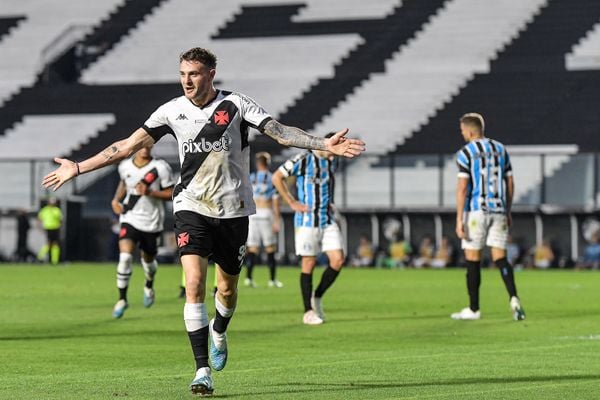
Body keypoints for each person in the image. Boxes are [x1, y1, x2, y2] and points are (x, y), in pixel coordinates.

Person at [42, 47, 365, 395]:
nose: (187, 81)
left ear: (211, 74)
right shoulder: (171, 111)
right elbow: (125, 146)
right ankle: (201, 370)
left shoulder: (237, 105)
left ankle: (220, 330)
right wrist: (78, 167)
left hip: (234, 211)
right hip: (191, 207)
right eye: (182, 74)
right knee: (193, 283)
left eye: (194, 74)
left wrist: (322, 144)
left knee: (226, 290)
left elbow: (281, 132)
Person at [452, 113, 525, 321]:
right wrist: (508, 209)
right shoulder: (500, 149)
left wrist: (459, 218)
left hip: (476, 211)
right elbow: (510, 183)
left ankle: (473, 309)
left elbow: (463, 187)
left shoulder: (466, 152)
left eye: (463, 131)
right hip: (499, 209)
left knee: (473, 259)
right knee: (500, 258)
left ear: (471, 131)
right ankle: (513, 298)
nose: (462, 134)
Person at [272, 134, 346, 326]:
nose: (333, 157)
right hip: (307, 220)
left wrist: (331, 202)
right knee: (309, 263)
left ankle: (317, 296)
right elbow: (277, 177)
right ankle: (308, 311)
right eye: (331, 153)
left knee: (338, 260)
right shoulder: (303, 159)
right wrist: (291, 202)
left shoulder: (332, 161)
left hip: (327, 218)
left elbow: (330, 181)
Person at [110, 145, 175, 319]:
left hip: (151, 221)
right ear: (136, 146)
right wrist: (116, 200)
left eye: (149, 143)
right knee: (124, 258)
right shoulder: (124, 165)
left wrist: (151, 192)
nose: (145, 147)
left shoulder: (161, 167)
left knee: (149, 261)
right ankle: (122, 299)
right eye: (142, 144)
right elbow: (124, 183)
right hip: (129, 218)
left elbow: (172, 193)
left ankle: (149, 284)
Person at [245, 152, 283, 288]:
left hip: (253, 215)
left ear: (257, 163)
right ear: (268, 163)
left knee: (253, 248)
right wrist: (277, 220)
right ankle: (272, 280)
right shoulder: (273, 179)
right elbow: (276, 201)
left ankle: (248, 278)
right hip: (266, 213)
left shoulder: (251, 177)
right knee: (270, 248)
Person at [37, 197, 62, 265]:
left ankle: (54, 260)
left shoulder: (56, 210)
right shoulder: (45, 210)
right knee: (49, 244)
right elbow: (39, 219)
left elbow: (60, 220)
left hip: (55, 228)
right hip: (49, 228)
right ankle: (40, 256)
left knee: (55, 244)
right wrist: (39, 227)